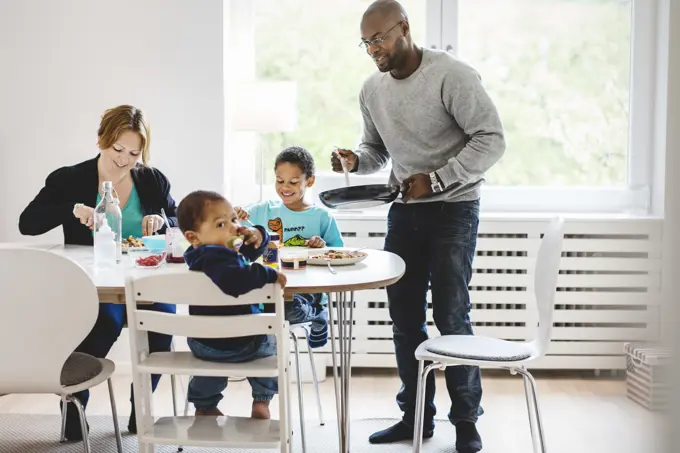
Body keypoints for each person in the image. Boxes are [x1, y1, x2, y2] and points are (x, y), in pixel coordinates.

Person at [331, 1, 505, 451]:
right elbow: (376, 151)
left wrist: (440, 179)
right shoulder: (372, 90)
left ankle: (466, 421)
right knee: (404, 322)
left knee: (451, 317)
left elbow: (491, 139)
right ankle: (415, 419)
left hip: (455, 210)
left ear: (404, 28)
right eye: (366, 42)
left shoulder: (452, 75)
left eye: (379, 38)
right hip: (404, 213)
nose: (372, 49)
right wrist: (355, 160)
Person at [18, 105, 178, 440]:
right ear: (101, 140)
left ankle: (142, 408)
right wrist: (71, 210)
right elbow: (27, 223)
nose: (124, 159)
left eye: (134, 153)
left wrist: (163, 223)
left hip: (144, 282)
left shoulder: (152, 180)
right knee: (103, 323)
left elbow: (178, 222)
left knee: (163, 326)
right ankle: (74, 404)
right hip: (93, 284)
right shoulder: (70, 178)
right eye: (118, 149)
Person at [177, 190, 287, 418]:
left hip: (204, 344)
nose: (234, 227)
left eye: (234, 219)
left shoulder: (206, 255)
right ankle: (262, 400)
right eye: (221, 224)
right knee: (272, 339)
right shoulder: (217, 259)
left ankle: (205, 404)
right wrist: (268, 274)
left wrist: (259, 234)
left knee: (209, 369)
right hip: (246, 342)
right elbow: (236, 279)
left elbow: (244, 256)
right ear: (193, 236)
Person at [236, 146, 343, 349]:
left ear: (309, 181)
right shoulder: (263, 210)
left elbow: (337, 255)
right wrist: (236, 215)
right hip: (267, 290)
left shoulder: (322, 217)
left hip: (304, 293)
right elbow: (234, 226)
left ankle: (318, 314)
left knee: (287, 307)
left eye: (293, 182)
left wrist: (321, 247)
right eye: (279, 180)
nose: (285, 187)